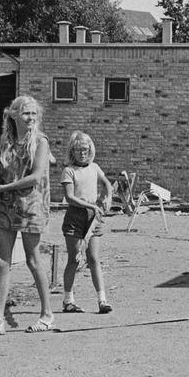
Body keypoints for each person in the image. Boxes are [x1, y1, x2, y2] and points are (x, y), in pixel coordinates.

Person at [0, 94, 55, 336]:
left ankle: (47, 315)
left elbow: (35, 176)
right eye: (26, 113)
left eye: (33, 113)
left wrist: (2, 188)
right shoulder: (9, 141)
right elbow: (10, 167)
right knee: (2, 261)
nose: (30, 117)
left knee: (33, 260)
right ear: (14, 115)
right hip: (7, 205)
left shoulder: (41, 141)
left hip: (31, 206)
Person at [58, 132, 114, 314]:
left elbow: (107, 183)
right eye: (78, 149)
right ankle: (68, 300)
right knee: (74, 259)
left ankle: (102, 300)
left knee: (94, 258)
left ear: (90, 150)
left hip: (93, 218)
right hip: (75, 217)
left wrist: (108, 197)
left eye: (85, 149)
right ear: (71, 151)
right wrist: (91, 206)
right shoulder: (69, 171)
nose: (82, 153)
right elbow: (70, 197)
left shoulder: (95, 167)